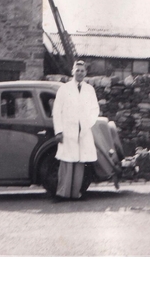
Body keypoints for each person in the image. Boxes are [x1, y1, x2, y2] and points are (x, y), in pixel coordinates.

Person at [52, 60, 100, 199]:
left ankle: (75, 194)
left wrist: (86, 124)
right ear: (72, 71)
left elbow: (94, 110)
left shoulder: (89, 90)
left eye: (82, 70)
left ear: (86, 73)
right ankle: (62, 193)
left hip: (83, 131)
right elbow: (57, 111)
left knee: (80, 161)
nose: (79, 73)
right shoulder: (64, 89)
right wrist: (59, 131)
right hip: (67, 130)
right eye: (77, 70)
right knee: (66, 161)